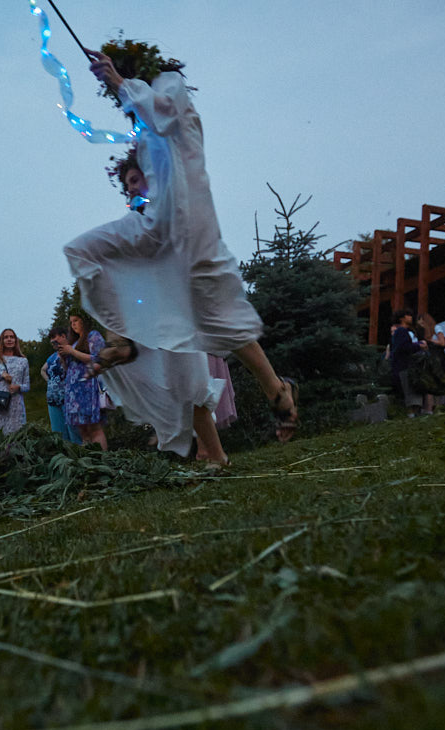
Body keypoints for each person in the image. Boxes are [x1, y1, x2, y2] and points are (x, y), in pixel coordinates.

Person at [61, 40, 298, 464]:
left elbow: (165, 112)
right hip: (157, 231)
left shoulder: (170, 90)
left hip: (190, 227)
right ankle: (123, 342)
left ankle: (276, 389)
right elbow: (149, 132)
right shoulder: (146, 131)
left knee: (219, 314)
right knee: (83, 250)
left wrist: (119, 82)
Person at [56, 313, 108, 450]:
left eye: (76, 320)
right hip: (74, 391)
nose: (73, 324)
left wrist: (72, 351)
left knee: (94, 428)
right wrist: (63, 357)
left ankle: (103, 459)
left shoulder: (93, 336)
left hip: (88, 388)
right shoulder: (74, 342)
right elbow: (69, 368)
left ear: (84, 321)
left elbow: (99, 359)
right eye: (71, 322)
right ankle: (90, 461)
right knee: (83, 431)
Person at [42, 327, 81, 443]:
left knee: (74, 432)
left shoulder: (72, 351)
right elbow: (43, 370)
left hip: (69, 399)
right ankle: (65, 459)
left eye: (54, 337)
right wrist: (50, 382)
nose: (52, 341)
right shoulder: (52, 357)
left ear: (63, 336)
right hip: (53, 399)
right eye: (50, 339)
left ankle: (79, 457)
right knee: (59, 435)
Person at [389, 309, 427, 417]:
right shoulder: (401, 331)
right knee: (410, 392)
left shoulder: (401, 331)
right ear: (402, 318)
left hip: (403, 366)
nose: (411, 317)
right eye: (408, 315)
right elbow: (403, 348)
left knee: (412, 392)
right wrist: (419, 345)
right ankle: (411, 416)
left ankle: (413, 415)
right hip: (404, 366)